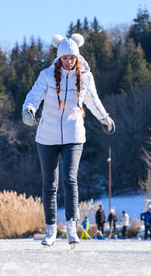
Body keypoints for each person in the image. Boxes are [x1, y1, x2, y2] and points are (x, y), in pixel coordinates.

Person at [22, 33, 114, 247]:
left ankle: (72, 226)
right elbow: (34, 95)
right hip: (47, 137)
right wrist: (29, 109)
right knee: (49, 184)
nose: (69, 61)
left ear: (78, 57)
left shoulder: (86, 77)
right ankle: (51, 228)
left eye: (72, 57)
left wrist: (104, 117)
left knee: (70, 180)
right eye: (65, 58)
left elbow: (93, 100)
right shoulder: (46, 75)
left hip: (74, 135)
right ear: (59, 58)